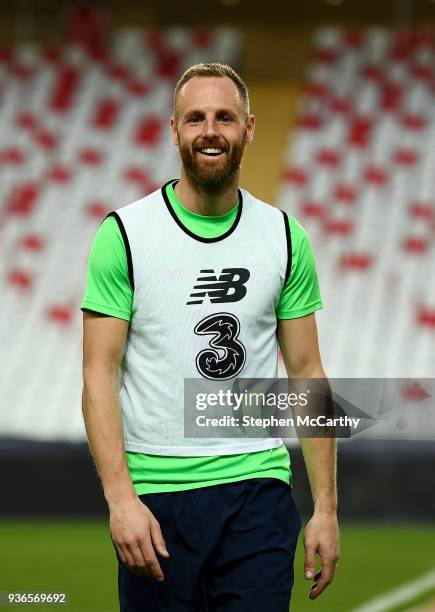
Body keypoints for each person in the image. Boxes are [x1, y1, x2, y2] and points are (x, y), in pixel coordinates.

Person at [81, 62, 339, 611]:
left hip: (258, 490)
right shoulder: (123, 234)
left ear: (248, 128)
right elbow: (99, 374)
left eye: (225, 117)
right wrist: (120, 498)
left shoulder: (285, 237)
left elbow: (308, 373)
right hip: (157, 502)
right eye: (195, 117)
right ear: (173, 128)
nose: (209, 130)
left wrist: (326, 509)